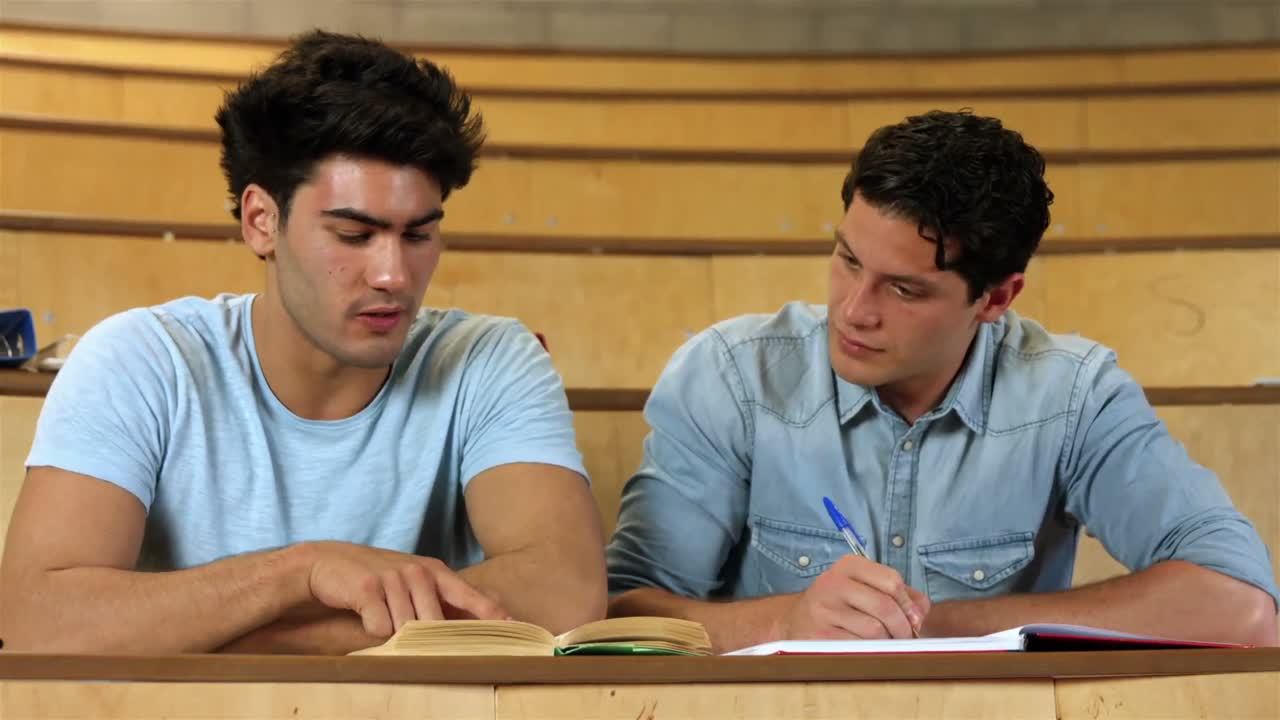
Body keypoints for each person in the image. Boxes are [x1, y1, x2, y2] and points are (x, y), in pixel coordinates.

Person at [0, 30, 605, 654]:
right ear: (262, 220)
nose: (394, 275)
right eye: (353, 234)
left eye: (418, 235)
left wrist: (227, 636)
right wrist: (301, 572)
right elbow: (39, 618)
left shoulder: (491, 360)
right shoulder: (139, 360)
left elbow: (563, 592)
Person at [605, 109, 1277, 653]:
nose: (854, 309)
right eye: (846, 260)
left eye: (904, 288)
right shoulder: (732, 375)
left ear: (996, 298)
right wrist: (784, 624)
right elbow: (620, 618)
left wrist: (927, 628)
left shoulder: (1074, 396)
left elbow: (1239, 606)